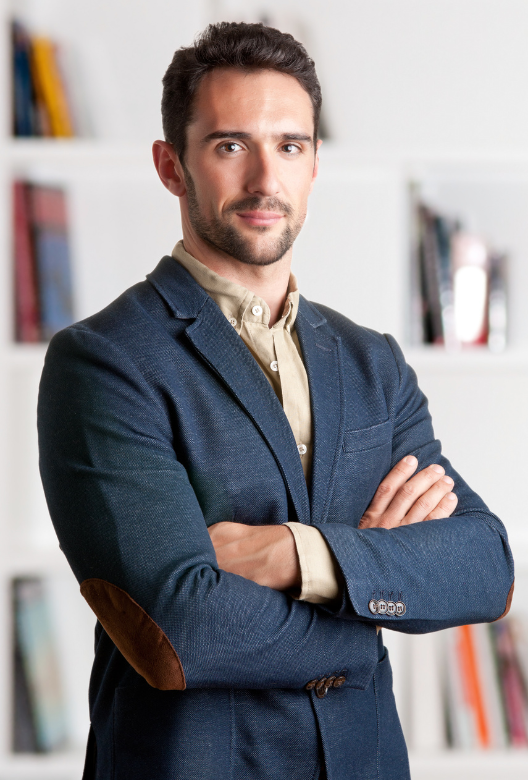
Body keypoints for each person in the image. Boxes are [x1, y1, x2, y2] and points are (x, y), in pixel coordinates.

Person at [37, 22, 514, 780]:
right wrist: (376, 598)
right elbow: (181, 628)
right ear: (171, 166)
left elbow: (485, 567)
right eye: (231, 146)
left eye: (290, 146)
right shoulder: (105, 361)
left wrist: (299, 553)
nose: (266, 179)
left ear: (316, 162)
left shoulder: (372, 362)